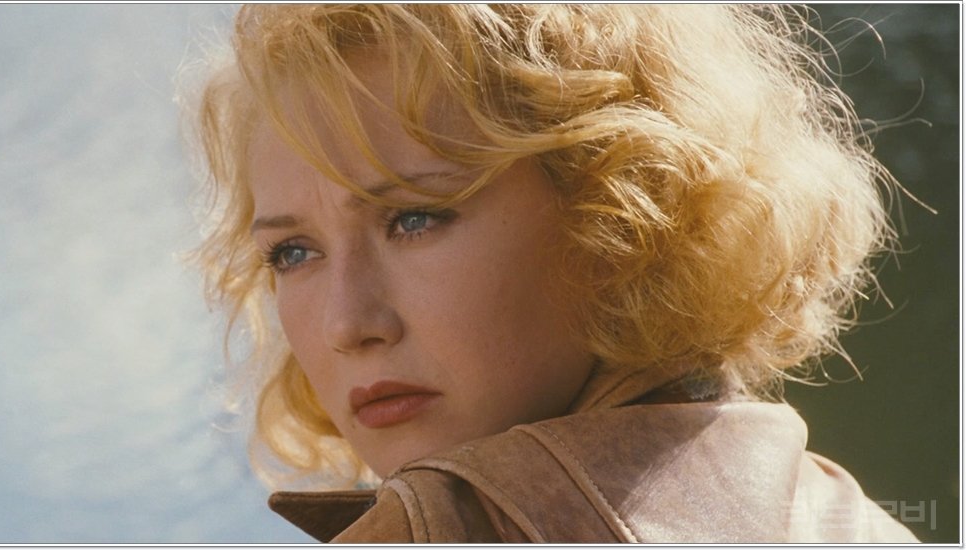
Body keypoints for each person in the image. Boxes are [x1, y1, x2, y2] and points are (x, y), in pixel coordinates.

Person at [185, 4, 920, 543]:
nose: (347, 325)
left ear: (619, 212)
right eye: (293, 253)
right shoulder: (838, 507)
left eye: (414, 218)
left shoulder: (447, 530)